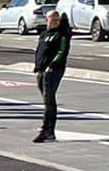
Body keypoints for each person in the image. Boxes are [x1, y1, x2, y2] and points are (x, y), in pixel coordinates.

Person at [32, 11, 72, 143]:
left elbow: (62, 51)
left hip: (53, 71)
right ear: (47, 20)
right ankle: (48, 130)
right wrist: (37, 68)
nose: (55, 21)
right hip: (41, 71)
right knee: (47, 100)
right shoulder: (44, 34)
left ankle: (47, 130)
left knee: (49, 100)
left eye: (57, 19)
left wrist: (51, 66)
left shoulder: (62, 34)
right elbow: (39, 51)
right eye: (53, 19)